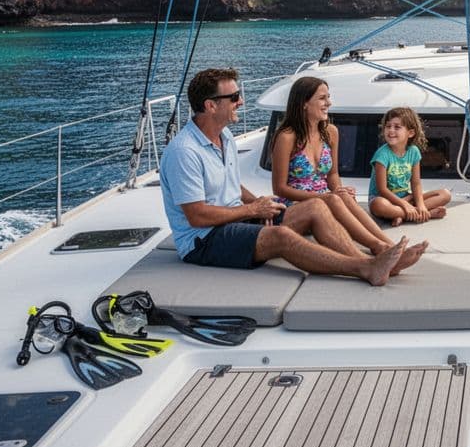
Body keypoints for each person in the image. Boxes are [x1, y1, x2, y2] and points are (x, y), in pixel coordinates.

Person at [161, 68, 424, 285]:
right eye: (234, 97)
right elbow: (197, 216)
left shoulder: (224, 136)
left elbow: (231, 184)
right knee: (281, 237)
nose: (240, 101)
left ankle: (377, 255)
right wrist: (252, 209)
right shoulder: (185, 152)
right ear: (210, 105)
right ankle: (365, 267)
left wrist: (260, 207)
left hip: (236, 218)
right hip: (205, 240)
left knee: (316, 207)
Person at [270, 76, 402, 256]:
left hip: (327, 198)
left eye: (328, 97)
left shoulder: (330, 132)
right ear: (304, 103)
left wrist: (339, 191)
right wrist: (325, 196)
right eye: (322, 98)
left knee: (342, 196)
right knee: (333, 198)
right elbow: (279, 188)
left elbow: (332, 175)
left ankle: (388, 244)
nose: (329, 103)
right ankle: (377, 247)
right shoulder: (287, 137)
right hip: (296, 204)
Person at [368, 107, 453, 226]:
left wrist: (421, 205)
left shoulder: (414, 152)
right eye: (388, 126)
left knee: (445, 194)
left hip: (407, 197)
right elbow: (382, 190)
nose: (391, 130)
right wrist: (405, 205)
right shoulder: (382, 155)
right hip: (385, 199)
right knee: (379, 205)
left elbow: (416, 183)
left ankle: (402, 215)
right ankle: (424, 214)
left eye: (397, 127)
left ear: (410, 133)